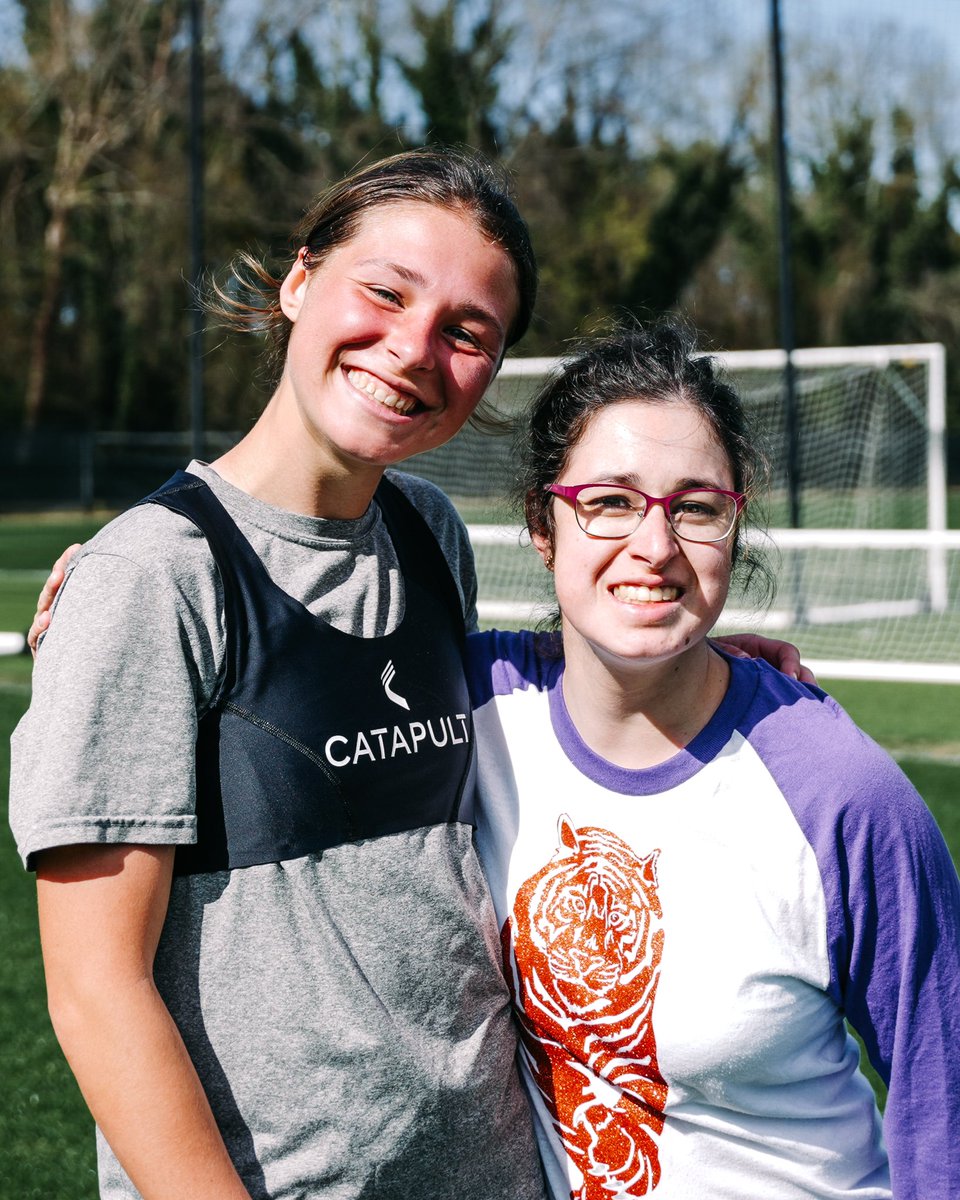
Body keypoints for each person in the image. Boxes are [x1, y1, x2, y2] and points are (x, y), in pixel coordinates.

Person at [11, 149, 806, 1199]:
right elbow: (95, 991)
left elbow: (476, 693)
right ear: (299, 283)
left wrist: (687, 664)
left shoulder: (428, 533)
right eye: (384, 292)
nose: (412, 348)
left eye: (466, 332)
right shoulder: (152, 577)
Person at [465, 322, 960, 1200]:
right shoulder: (470, 704)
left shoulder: (840, 797)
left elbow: (944, 1111)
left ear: (735, 524)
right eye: (610, 502)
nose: (654, 549)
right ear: (545, 524)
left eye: (694, 507)